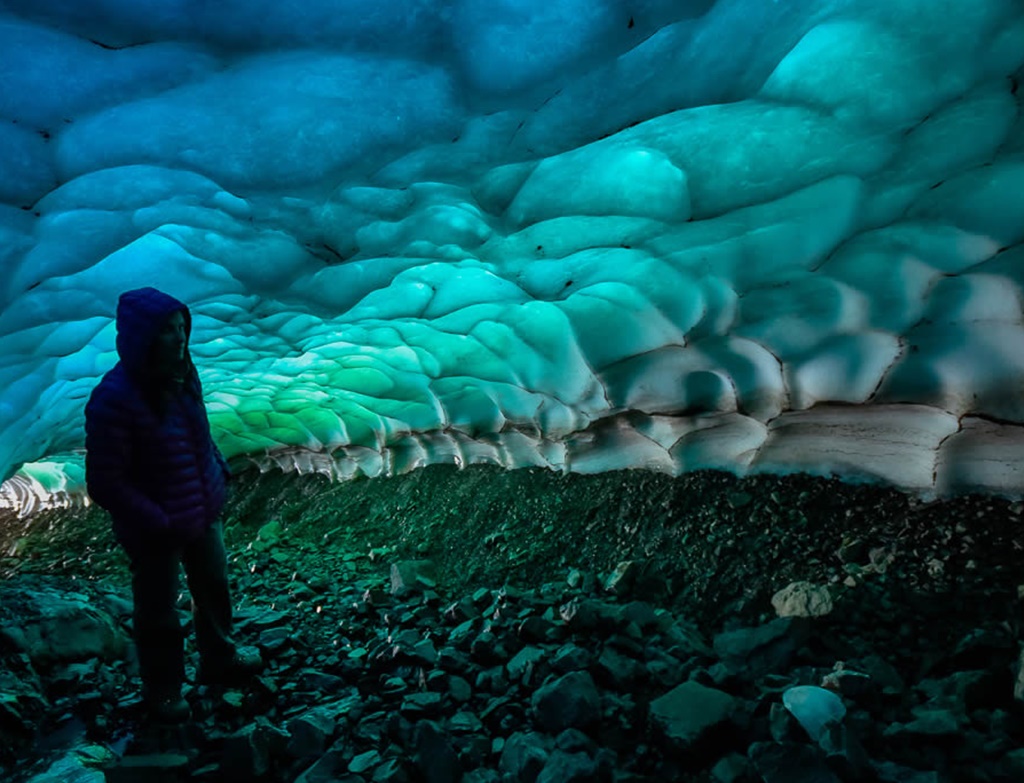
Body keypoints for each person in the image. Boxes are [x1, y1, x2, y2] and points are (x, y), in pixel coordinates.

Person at [84, 287, 260, 723]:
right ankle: (164, 692)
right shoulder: (113, 399)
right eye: (167, 330)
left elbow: (199, 431)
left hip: (202, 510)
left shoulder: (184, 376)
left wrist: (218, 469)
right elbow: (105, 482)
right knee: (159, 612)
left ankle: (220, 659)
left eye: (182, 328)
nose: (179, 338)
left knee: (214, 590)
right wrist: (156, 520)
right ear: (143, 336)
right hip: (155, 530)